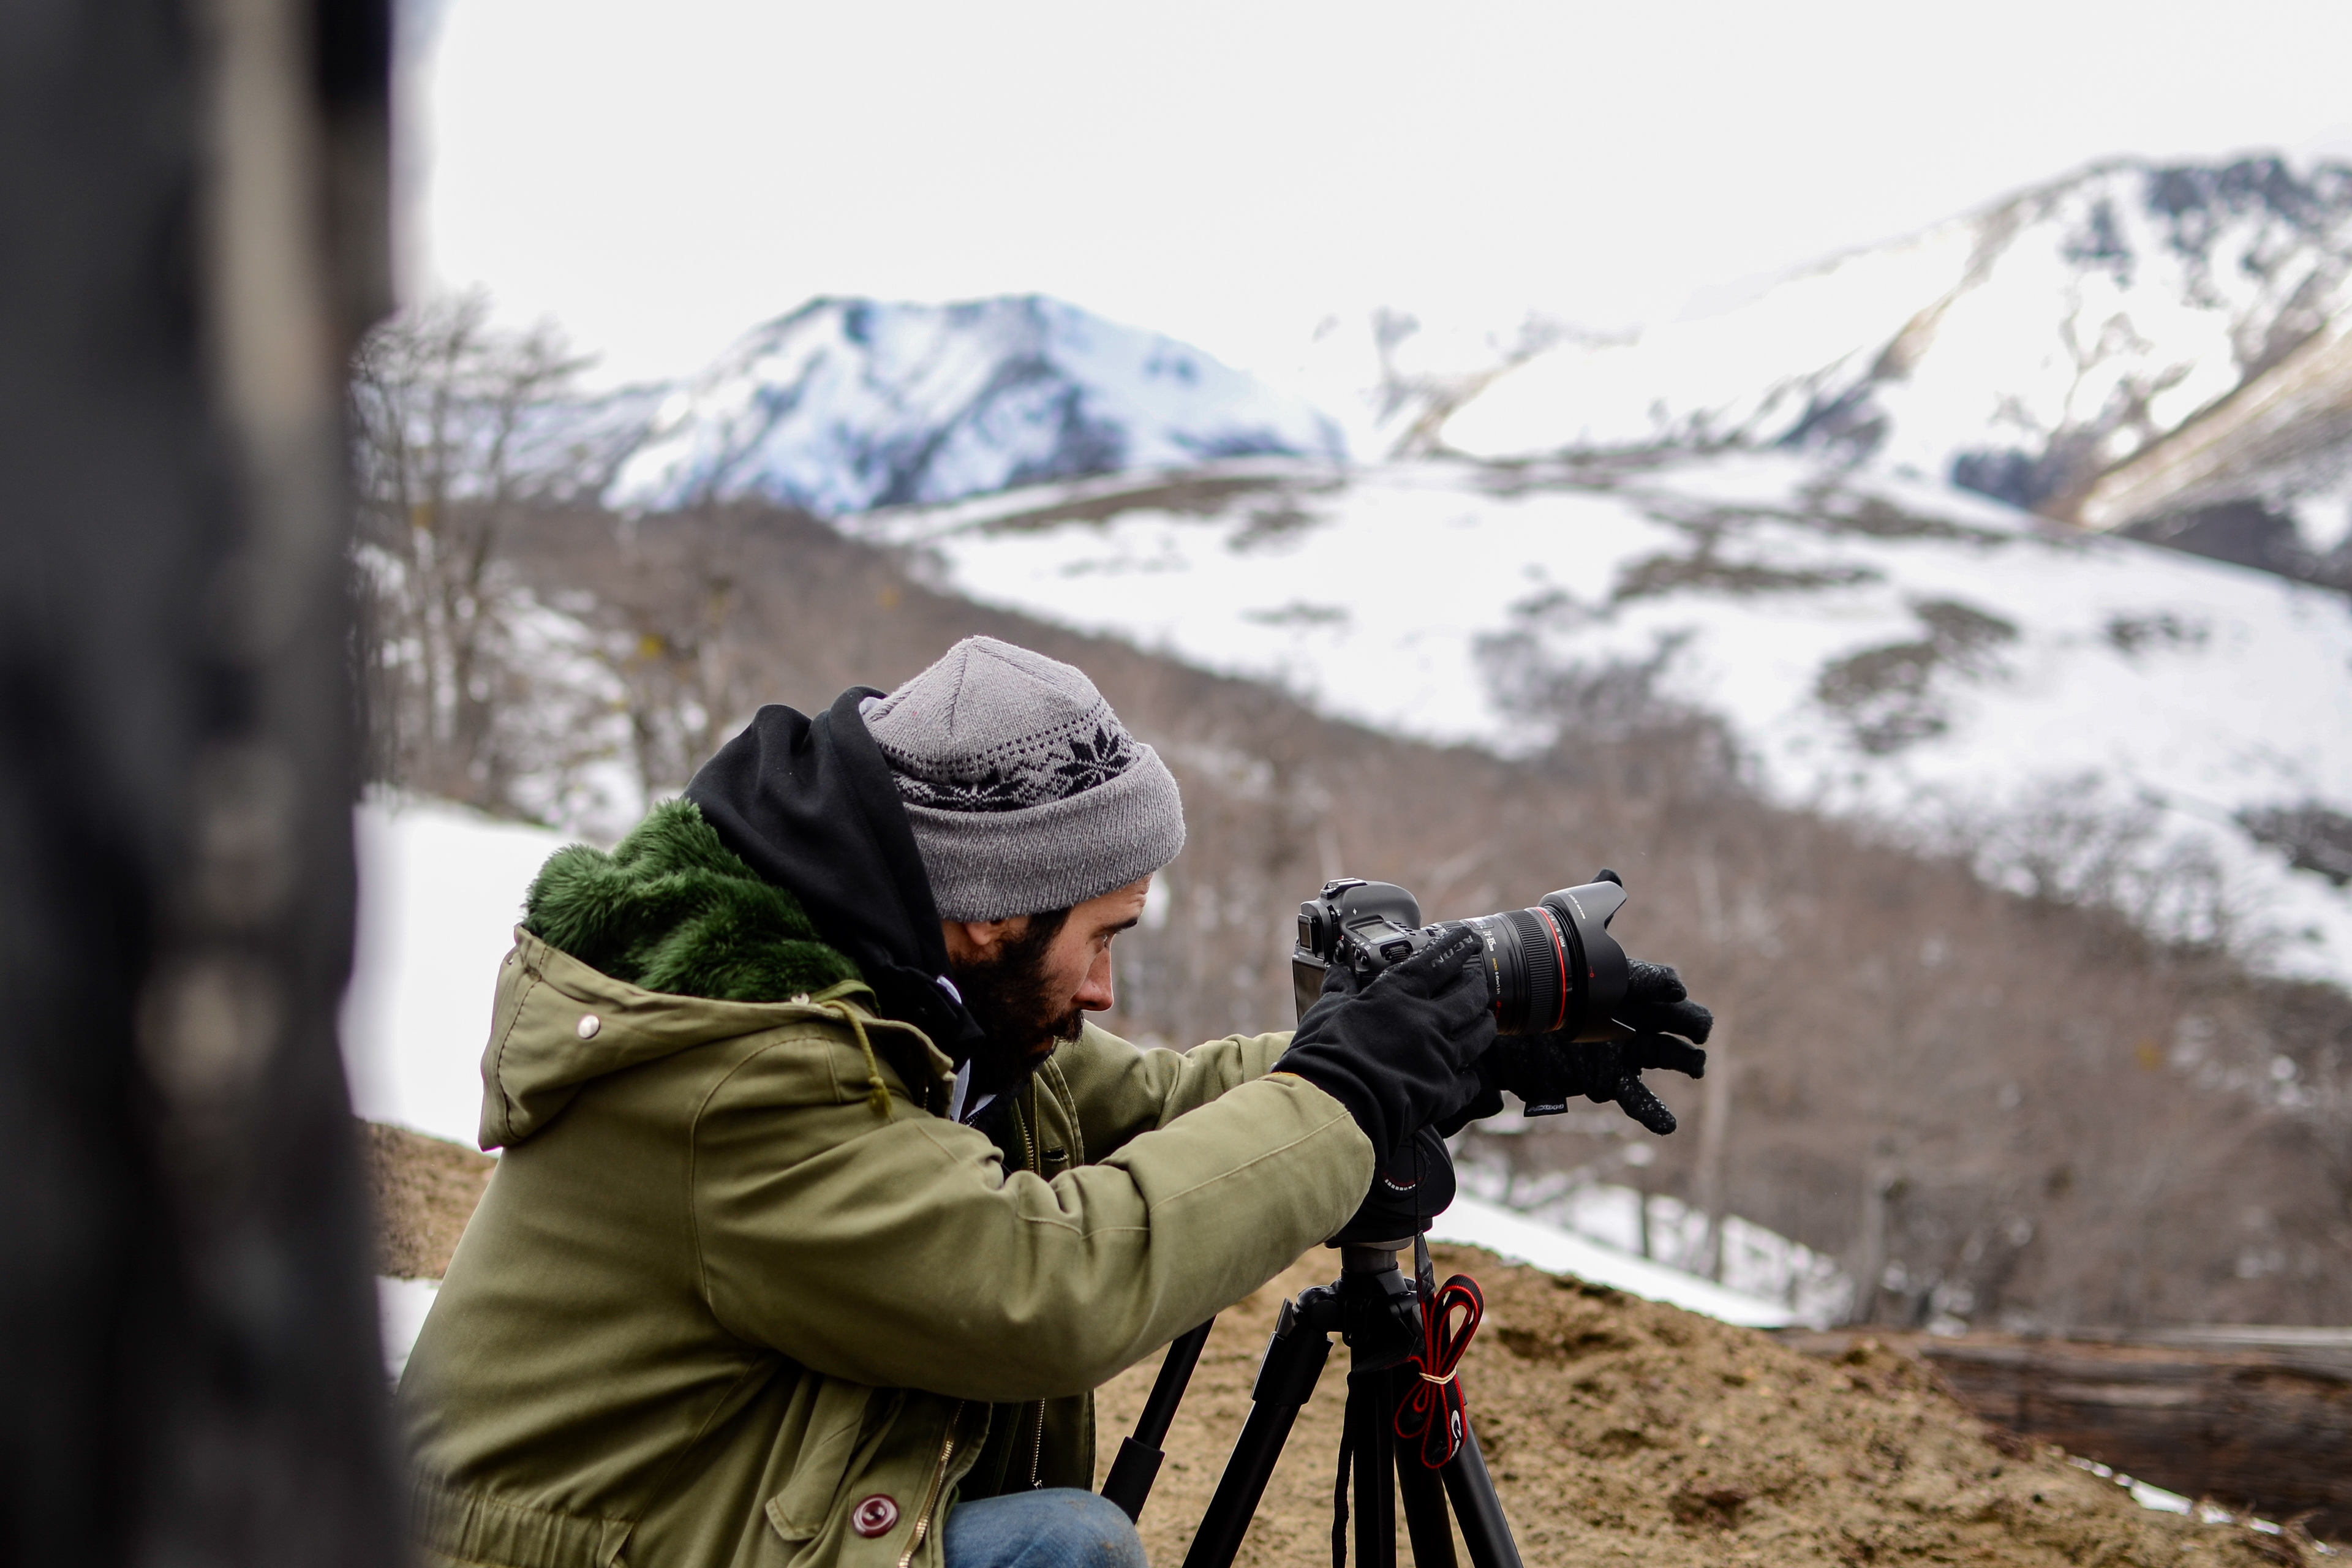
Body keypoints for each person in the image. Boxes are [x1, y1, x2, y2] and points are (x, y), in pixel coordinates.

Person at [396, 636, 1709, 1568]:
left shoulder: (897, 995)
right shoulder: (744, 1073)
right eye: (1101, 935)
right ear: (990, 915)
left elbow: (1155, 1108)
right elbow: (1046, 1288)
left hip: (688, 1510)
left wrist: (1463, 1050)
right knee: (1069, 1547)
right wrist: (1354, 1090)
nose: (1104, 989)